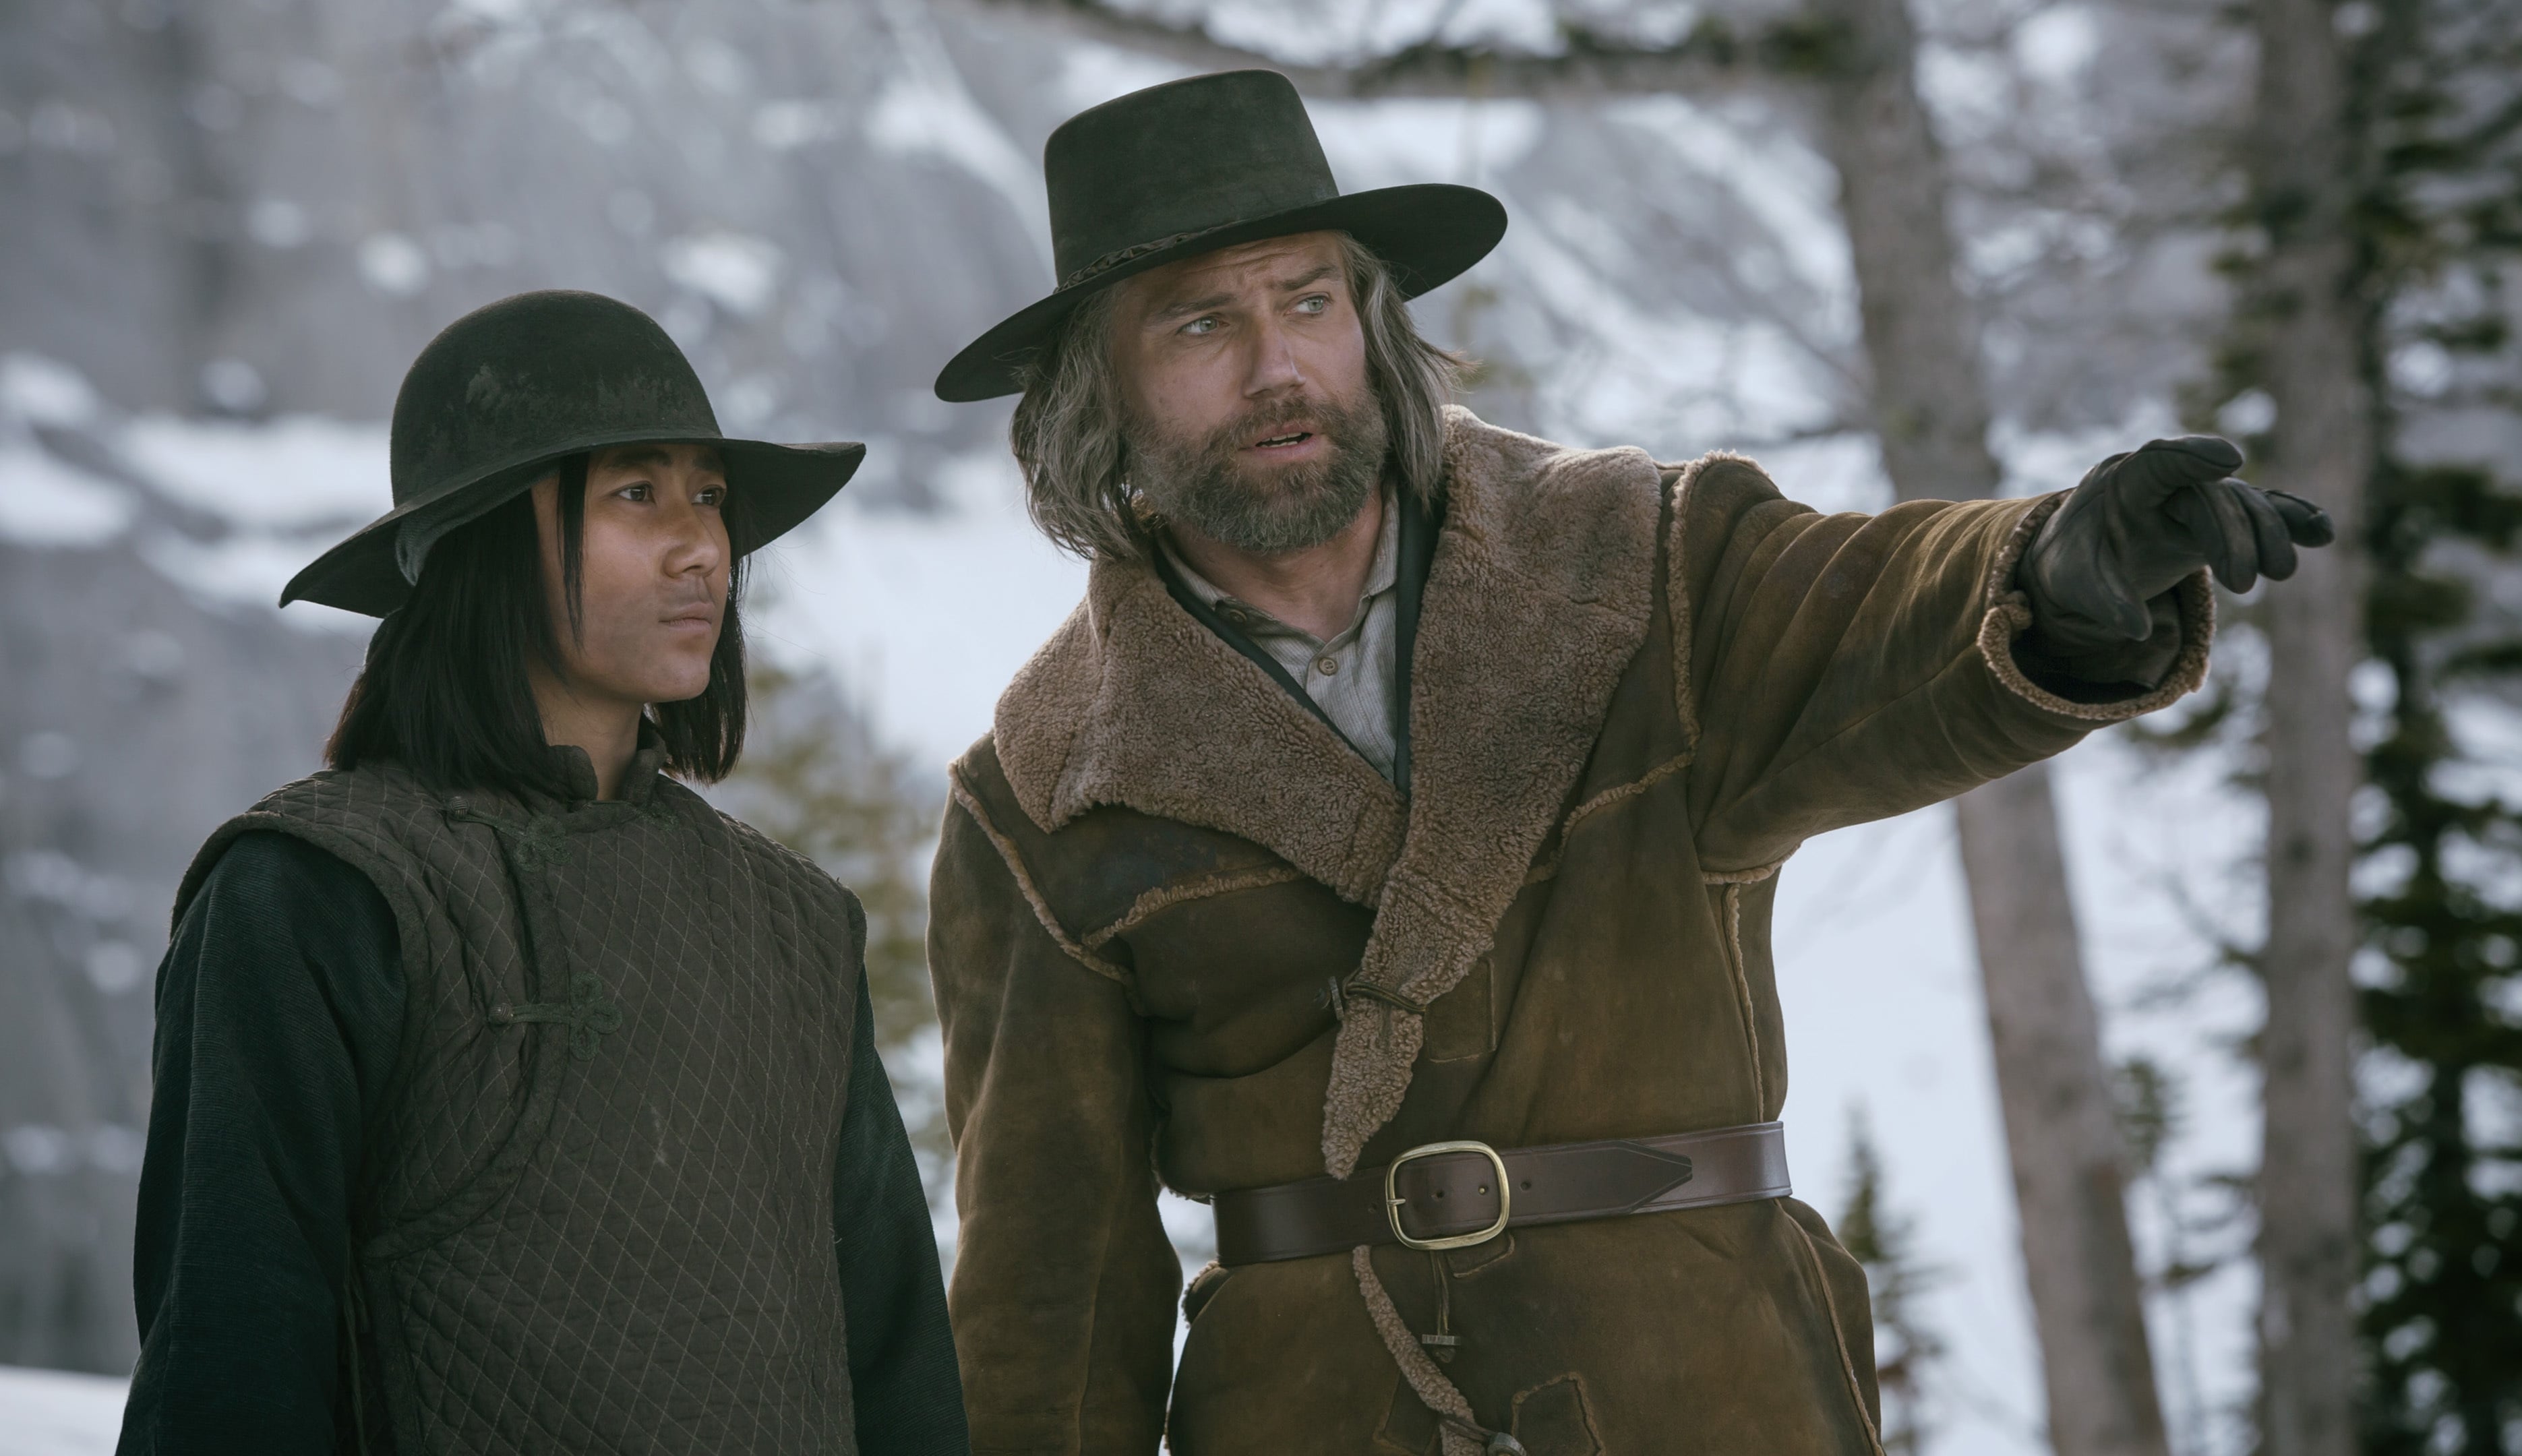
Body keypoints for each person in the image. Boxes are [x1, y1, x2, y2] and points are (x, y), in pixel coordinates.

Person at [924, 70, 2332, 1455]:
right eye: (1200, 326)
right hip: (1319, 1409)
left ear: (1370, 323)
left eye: (1309, 302)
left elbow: (1873, 610)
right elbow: (1052, 1299)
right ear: (1098, 392)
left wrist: (2049, 574)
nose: (1277, 366)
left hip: (1710, 1385)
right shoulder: (1042, 789)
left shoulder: (1637, 559)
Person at [119, 290, 969, 1455]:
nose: (703, 547)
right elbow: (228, 1367)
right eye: (636, 494)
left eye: (710, 497)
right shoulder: (316, 893)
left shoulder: (796, 924)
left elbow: (900, 1370)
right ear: (485, 541)